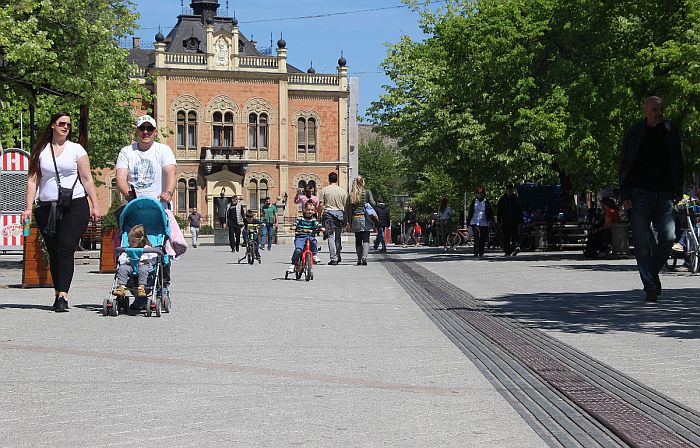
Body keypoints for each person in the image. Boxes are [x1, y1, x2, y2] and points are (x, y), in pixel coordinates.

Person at [21, 112, 102, 312]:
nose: (66, 127)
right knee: (54, 251)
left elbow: (87, 179)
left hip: (74, 205)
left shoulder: (76, 150)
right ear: (52, 126)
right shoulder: (41, 151)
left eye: (68, 124)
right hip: (46, 208)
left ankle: (63, 296)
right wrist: (28, 208)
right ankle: (58, 292)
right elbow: (32, 180)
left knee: (65, 248)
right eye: (62, 124)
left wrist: (95, 204)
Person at [619, 96, 683, 302]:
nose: (659, 113)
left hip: (664, 193)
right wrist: (625, 194)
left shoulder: (671, 130)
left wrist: (678, 188)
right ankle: (650, 286)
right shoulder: (636, 132)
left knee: (669, 236)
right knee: (643, 240)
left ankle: (651, 273)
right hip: (640, 193)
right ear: (646, 111)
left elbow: (678, 160)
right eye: (655, 109)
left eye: (661, 109)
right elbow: (625, 163)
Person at [115, 114, 177, 310]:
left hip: (158, 207)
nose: (146, 132)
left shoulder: (163, 150)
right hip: (135, 208)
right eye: (142, 129)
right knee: (129, 248)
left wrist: (168, 192)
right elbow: (121, 177)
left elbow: (170, 173)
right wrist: (127, 193)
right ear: (137, 131)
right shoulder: (127, 151)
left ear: (155, 132)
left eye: (149, 129)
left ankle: (162, 287)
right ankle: (130, 286)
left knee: (161, 249)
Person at [113, 224, 157, 298]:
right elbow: (121, 259)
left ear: (140, 240)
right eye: (129, 241)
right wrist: (128, 260)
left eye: (133, 241)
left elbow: (154, 258)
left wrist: (147, 261)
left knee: (143, 270)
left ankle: (141, 288)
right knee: (122, 268)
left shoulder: (147, 248)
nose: (130, 243)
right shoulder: (128, 249)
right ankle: (121, 287)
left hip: (143, 266)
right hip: (130, 266)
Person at [318, 172, 348, 265]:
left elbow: (321, 205)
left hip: (328, 215)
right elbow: (345, 206)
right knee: (338, 237)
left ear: (329, 179)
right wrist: (346, 219)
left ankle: (333, 258)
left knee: (330, 236)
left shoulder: (324, 190)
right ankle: (338, 254)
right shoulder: (342, 191)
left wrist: (319, 216)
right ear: (337, 179)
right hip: (339, 214)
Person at [287, 201, 324, 273]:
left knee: (313, 241)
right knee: (298, 250)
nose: (310, 211)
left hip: (310, 236)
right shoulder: (300, 219)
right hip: (300, 236)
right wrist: (294, 226)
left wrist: (321, 228)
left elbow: (317, 224)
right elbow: (295, 223)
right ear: (304, 210)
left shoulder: (313, 220)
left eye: (312, 210)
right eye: (308, 209)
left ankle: (314, 255)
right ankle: (293, 264)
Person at [346, 175, 376, 265]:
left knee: (358, 239)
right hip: (365, 218)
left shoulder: (351, 194)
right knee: (366, 238)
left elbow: (350, 209)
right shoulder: (367, 192)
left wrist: (349, 221)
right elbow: (373, 204)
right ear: (363, 182)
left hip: (356, 218)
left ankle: (359, 260)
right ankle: (364, 257)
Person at [467, 187, 494, 257]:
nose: (479, 195)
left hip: (484, 221)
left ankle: (481, 252)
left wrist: (491, 220)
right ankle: (476, 251)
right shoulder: (474, 201)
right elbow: (470, 211)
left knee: (483, 237)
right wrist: (468, 221)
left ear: (484, 194)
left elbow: (490, 212)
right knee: (477, 236)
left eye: (481, 193)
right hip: (475, 221)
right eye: (478, 193)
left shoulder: (486, 202)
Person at [497, 184, 523, 256]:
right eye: (509, 191)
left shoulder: (516, 199)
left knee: (515, 236)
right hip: (505, 221)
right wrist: (499, 220)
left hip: (514, 220)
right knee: (506, 236)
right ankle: (507, 251)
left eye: (511, 191)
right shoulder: (502, 199)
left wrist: (520, 220)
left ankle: (515, 248)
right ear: (507, 190)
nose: (510, 192)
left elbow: (519, 210)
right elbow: (499, 210)